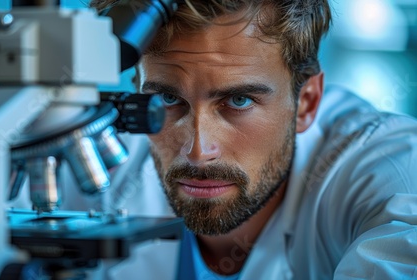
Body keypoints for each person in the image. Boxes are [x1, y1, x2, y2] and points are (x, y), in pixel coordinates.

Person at [89, 0, 417, 279]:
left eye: (239, 101)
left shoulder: (388, 163)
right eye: (167, 100)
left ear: (306, 103)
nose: (198, 152)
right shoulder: (98, 156)